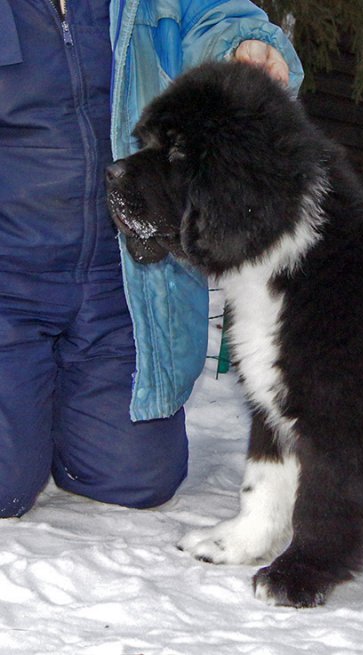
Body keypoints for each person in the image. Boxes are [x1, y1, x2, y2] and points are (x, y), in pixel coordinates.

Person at [0, 0, 303, 517]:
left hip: (126, 280)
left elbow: (215, 16)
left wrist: (247, 45)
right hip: (10, 275)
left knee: (135, 479)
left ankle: (47, 417)